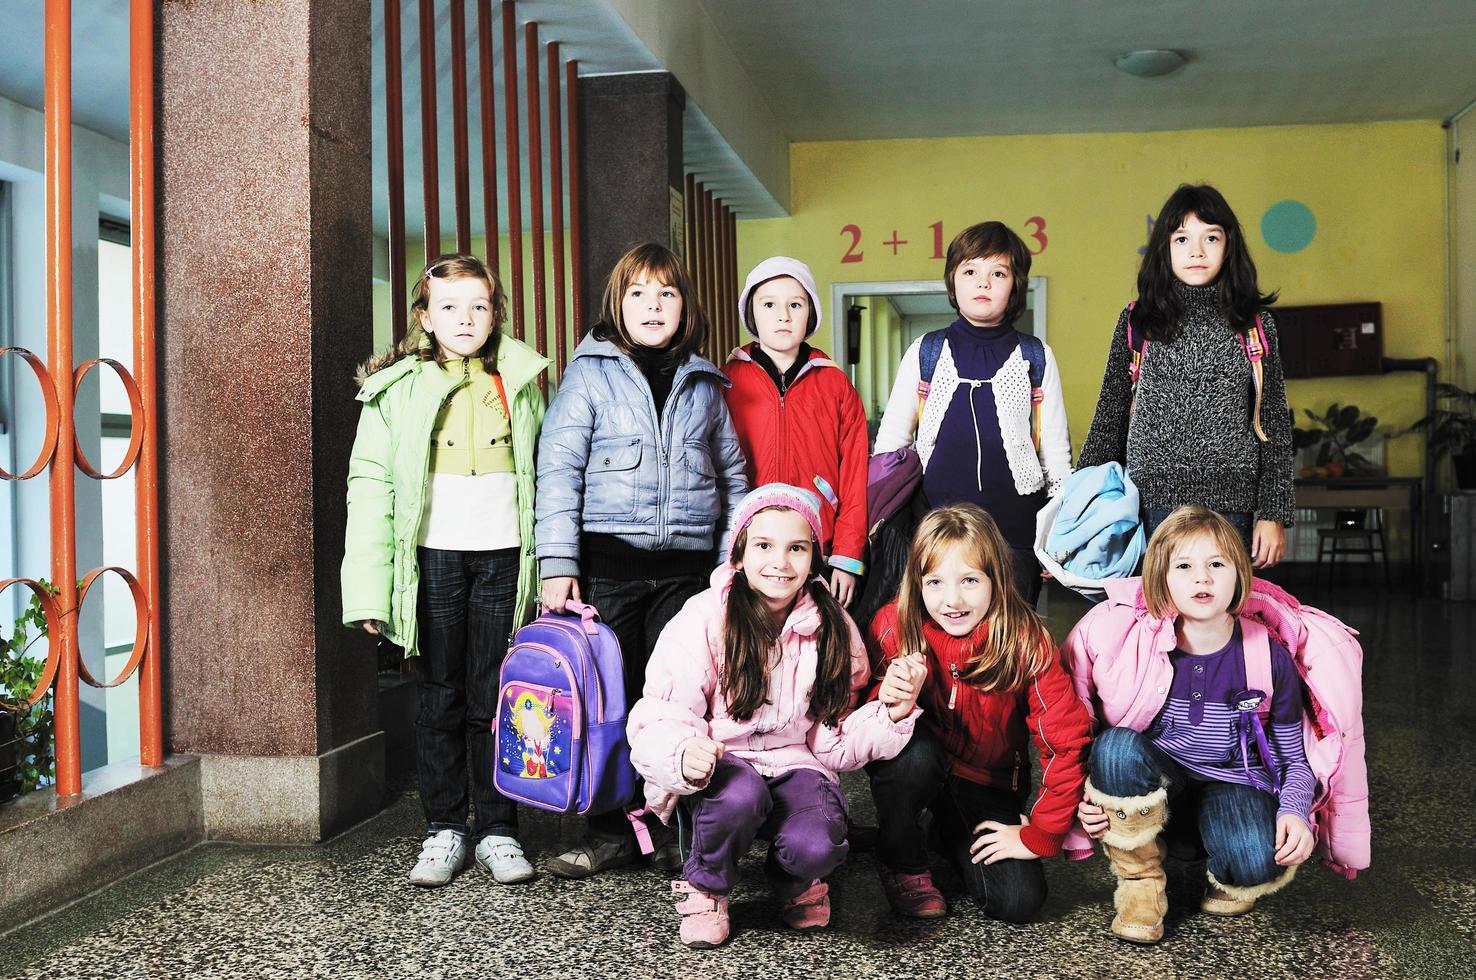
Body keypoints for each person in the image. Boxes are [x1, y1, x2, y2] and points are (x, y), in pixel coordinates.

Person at [627, 484, 923, 948]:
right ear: (739, 556)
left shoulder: (833, 628)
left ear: (814, 558)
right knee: (739, 794)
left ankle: (792, 879)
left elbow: (834, 736)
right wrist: (683, 753)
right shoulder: (704, 617)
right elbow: (661, 712)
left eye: (797, 548)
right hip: (721, 764)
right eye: (764, 545)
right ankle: (706, 886)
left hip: (795, 762)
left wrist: (890, 711)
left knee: (819, 837)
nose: (780, 563)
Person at [536, 242, 749, 878]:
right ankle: (613, 830)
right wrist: (556, 560)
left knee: (684, 700)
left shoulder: (706, 383)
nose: (652, 306)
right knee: (612, 703)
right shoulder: (589, 372)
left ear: (686, 307)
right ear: (617, 304)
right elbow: (559, 469)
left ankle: (685, 826)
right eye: (638, 294)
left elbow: (734, 475)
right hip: (609, 568)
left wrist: (729, 564)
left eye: (667, 294)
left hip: (687, 576)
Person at [342, 253, 548, 887]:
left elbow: (550, 475)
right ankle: (443, 828)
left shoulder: (520, 379)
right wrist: (369, 589)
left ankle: (499, 829)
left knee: (499, 693)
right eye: (450, 306)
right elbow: (370, 486)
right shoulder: (395, 390)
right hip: (432, 561)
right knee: (439, 693)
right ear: (424, 316)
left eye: (480, 305)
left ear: (497, 313)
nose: (466, 318)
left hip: (505, 558)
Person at [1065, 506, 1317, 944]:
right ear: (1163, 580)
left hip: (1229, 785)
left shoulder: (1267, 654)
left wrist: (1295, 811)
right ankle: (1140, 880)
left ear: (1239, 575)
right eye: (1184, 566)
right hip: (1157, 788)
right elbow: (1083, 730)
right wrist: (1087, 798)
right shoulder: (1140, 646)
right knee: (1115, 748)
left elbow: (1294, 758)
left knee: (1257, 862)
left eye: (1216, 565)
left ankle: (1214, 856)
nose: (1202, 579)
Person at [865, 504, 1091, 923]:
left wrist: (1043, 832)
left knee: (1018, 900)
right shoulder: (892, 626)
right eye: (935, 582)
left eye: (969, 580)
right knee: (915, 754)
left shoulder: (1024, 639)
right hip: (920, 767)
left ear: (996, 581)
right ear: (917, 584)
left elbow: (1065, 736)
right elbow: (848, 719)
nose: (952, 600)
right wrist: (885, 699)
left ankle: (946, 831)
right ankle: (902, 859)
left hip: (987, 782)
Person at [1076, 183, 1293, 566]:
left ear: (1229, 246)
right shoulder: (1137, 321)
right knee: (1156, 619)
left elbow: (1274, 426)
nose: (1196, 251)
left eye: (1211, 237)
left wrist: (1273, 513)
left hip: (1233, 507)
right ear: (1164, 248)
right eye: (1182, 238)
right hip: (1146, 506)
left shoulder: (1256, 326)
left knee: (1220, 619)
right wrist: (1078, 512)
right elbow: (1109, 418)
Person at [873, 222, 1071, 604]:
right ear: (953, 282)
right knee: (942, 635)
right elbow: (889, 447)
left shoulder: (1036, 356)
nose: (984, 283)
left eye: (998, 273)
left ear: (1015, 285)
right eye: (971, 272)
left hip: (1015, 536)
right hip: (936, 531)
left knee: (1009, 643)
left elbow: (1056, 453)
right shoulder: (925, 351)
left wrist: (1056, 533)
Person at [723, 257, 870, 608]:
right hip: (749, 546)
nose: (783, 315)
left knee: (814, 645)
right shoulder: (726, 380)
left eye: (795, 304)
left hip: (817, 544)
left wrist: (847, 556)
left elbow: (854, 476)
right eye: (769, 304)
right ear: (752, 314)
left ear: (811, 314)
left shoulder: (836, 384)